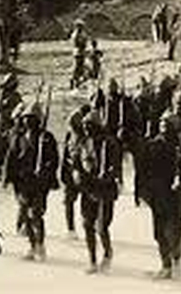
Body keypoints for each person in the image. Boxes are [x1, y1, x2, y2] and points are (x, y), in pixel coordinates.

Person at [135, 109, 181, 279]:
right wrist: (142, 192)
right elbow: (143, 170)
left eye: (167, 124)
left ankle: (175, 262)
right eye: (162, 123)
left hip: (175, 196)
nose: (163, 127)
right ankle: (166, 265)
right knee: (159, 233)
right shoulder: (152, 145)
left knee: (174, 231)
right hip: (158, 195)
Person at [4, 102, 59, 261]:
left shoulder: (46, 138)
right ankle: (32, 244)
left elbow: (53, 159)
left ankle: (40, 245)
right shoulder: (18, 137)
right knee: (25, 214)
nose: (28, 121)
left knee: (36, 214)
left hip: (39, 182)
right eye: (26, 118)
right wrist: (8, 176)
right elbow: (11, 157)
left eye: (32, 118)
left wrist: (45, 170)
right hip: (22, 181)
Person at [73, 111, 120, 274]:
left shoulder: (109, 143)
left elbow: (114, 166)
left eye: (90, 125)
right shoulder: (82, 143)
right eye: (85, 125)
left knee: (101, 226)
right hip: (88, 188)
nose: (86, 128)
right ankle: (92, 260)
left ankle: (107, 253)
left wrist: (106, 177)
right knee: (87, 224)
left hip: (105, 189)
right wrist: (79, 177)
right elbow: (77, 163)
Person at [60, 104, 91, 239]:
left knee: (85, 201)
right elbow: (65, 154)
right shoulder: (69, 135)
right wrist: (63, 171)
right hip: (70, 171)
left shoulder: (87, 136)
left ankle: (87, 225)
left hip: (83, 172)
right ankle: (71, 229)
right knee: (68, 201)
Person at [70, 19, 89, 89]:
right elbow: (79, 43)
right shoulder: (76, 35)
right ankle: (75, 81)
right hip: (78, 53)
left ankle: (77, 82)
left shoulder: (79, 34)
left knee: (80, 68)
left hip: (80, 52)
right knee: (78, 68)